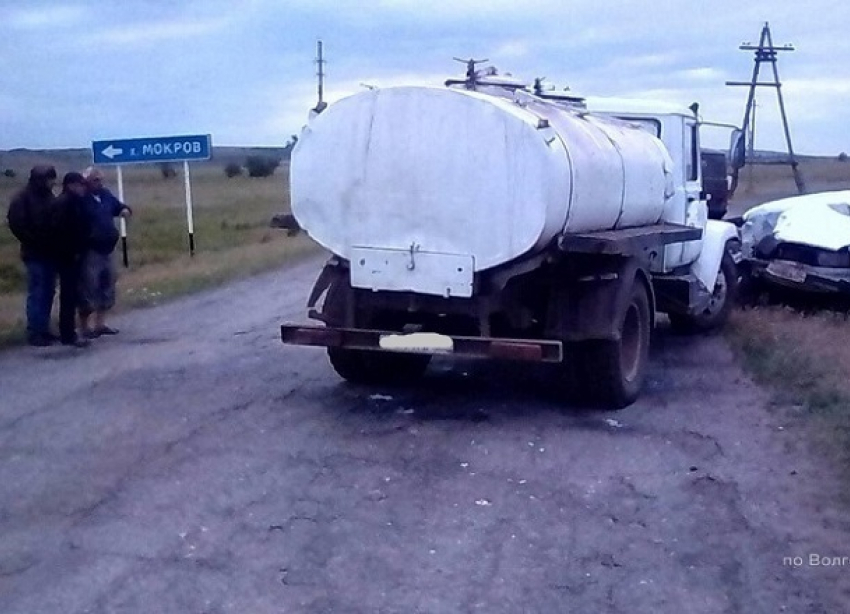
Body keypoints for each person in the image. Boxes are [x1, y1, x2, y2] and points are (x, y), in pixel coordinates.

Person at [6, 165, 60, 346]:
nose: (52, 183)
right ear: (39, 179)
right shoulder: (22, 198)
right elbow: (16, 224)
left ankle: (44, 329)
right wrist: (34, 240)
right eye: (49, 179)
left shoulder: (48, 197)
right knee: (37, 292)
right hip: (34, 253)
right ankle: (35, 331)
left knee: (48, 291)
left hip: (51, 252)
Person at [79, 166, 132, 338]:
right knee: (89, 287)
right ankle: (84, 326)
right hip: (90, 250)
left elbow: (118, 206)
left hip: (108, 248)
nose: (99, 183)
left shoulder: (105, 195)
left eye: (100, 180)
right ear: (86, 181)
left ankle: (100, 324)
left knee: (107, 285)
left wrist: (125, 210)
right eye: (95, 180)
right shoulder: (80, 198)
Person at [52, 172, 92, 347]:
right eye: (79, 185)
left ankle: (69, 332)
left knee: (72, 294)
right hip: (68, 256)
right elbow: (62, 231)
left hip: (73, 254)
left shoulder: (73, 201)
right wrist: (72, 251)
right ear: (70, 185)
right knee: (69, 295)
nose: (82, 188)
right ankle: (67, 334)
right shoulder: (65, 203)